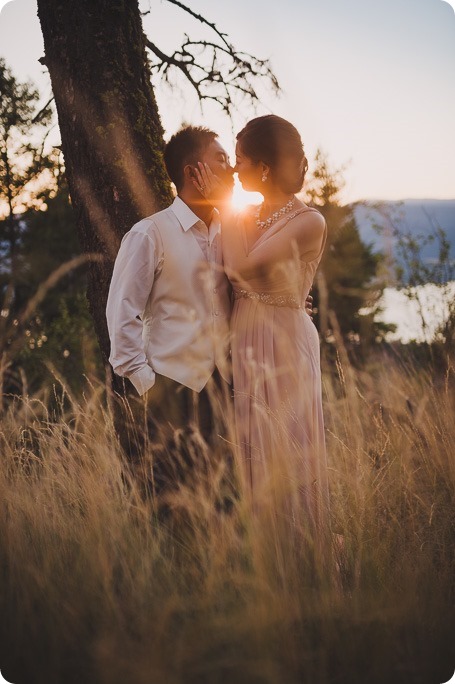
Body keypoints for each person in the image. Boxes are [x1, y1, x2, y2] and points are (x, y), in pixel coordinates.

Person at [106, 124, 314, 498]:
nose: (232, 170)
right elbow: (121, 313)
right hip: (171, 388)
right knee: (171, 505)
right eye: (220, 160)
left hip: (227, 391)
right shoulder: (148, 234)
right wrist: (147, 383)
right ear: (192, 172)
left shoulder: (233, 231)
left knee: (223, 508)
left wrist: (291, 301)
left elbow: (248, 288)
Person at [192, 115, 330, 536]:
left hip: (285, 344)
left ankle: (304, 561)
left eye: (240, 160)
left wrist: (221, 203)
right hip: (250, 344)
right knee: (258, 455)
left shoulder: (310, 221)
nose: (234, 170)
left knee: (290, 449)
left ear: (264, 167)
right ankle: (270, 561)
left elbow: (241, 270)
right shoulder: (248, 214)